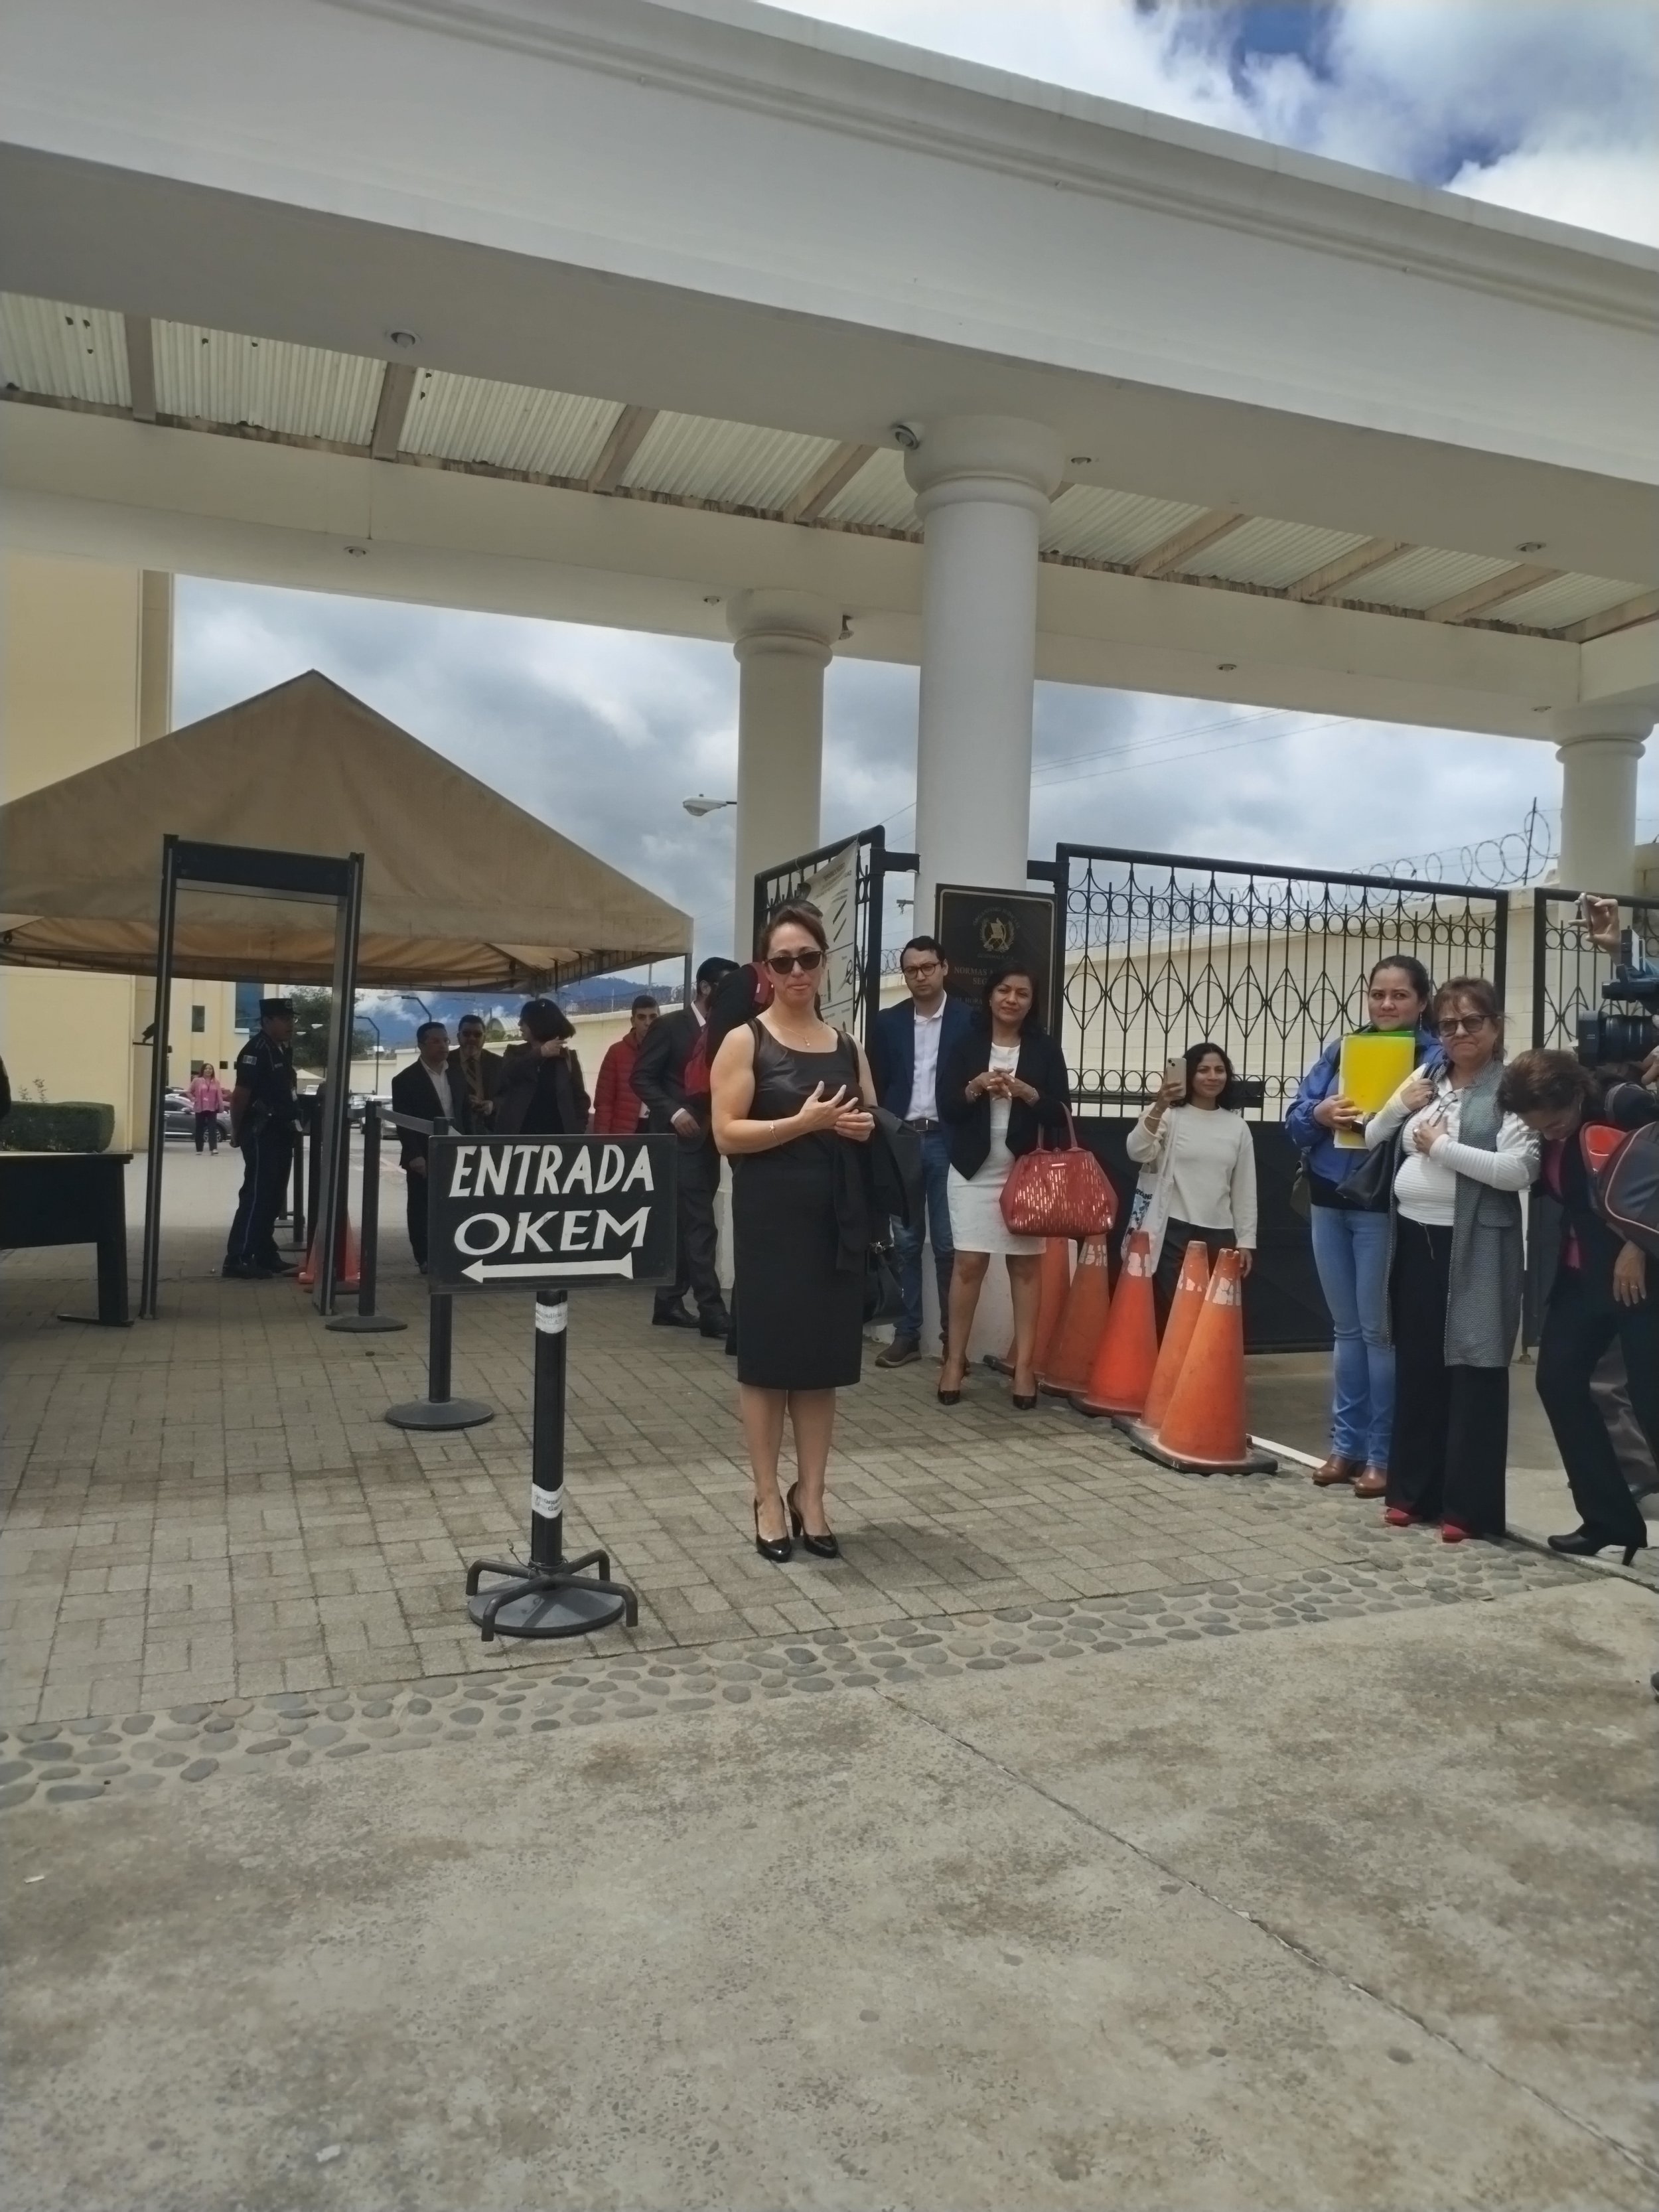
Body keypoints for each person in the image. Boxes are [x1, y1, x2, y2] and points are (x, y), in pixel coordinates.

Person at [711, 905, 875, 1562]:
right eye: (784, 961)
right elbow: (726, 1132)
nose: (797, 970)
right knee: (768, 1364)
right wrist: (800, 1125)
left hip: (835, 1219)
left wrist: (863, 1127)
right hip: (770, 1220)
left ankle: (813, 1494)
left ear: (824, 962)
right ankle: (766, 1497)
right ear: (766, 970)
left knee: (819, 1367)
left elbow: (872, 1116)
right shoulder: (745, 1040)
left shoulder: (848, 1045)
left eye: (808, 957)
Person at [1362, 976, 1537, 1542]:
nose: (1459, 1033)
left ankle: (1467, 1508)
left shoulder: (1511, 1088)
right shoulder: (1427, 1076)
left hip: (1478, 1247)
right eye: (1448, 1024)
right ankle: (1412, 1494)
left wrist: (1440, 1147)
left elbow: (1519, 1170)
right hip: (1416, 1241)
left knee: (1474, 1371)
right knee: (1419, 1368)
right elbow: (1372, 1135)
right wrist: (1401, 1107)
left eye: (1472, 1021)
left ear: (1495, 1026)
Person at [1285, 956, 1439, 1499]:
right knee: (1345, 1329)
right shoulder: (1341, 1049)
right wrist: (1319, 1114)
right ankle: (1345, 1447)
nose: (1387, 1004)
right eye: (1378, 994)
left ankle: (1382, 1454)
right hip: (1328, 1198)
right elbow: (1294, 1119)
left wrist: (1389, 1115)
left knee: (1378, 1331)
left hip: (1383, 1206)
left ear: (1422, 1001)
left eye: (1400, 995)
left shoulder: (1434, 1060)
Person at [1498, 1047, 1656, 1565]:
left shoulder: (1622, 1103)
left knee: (1652, 1400)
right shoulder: (1548, 1131)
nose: (1552, 1133)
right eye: (1539, 1128)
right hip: (1581, 1273)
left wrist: (1639, 1243)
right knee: (1559, 1381)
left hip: (1642, 1274)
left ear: (1575, 1093)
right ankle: (1609, 1518)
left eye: (1557, 1121)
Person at [936, 964, 1071, 1408]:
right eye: (1004, 991)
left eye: (1022, 993)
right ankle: (954, 1361)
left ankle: (1025, 1367)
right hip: (972, 1170)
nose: (1012, 999)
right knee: (968, 1263)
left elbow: (1061, 1113)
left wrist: (1028, 1093)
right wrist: (975, 1086)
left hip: (1025, 1173)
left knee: (1026, 1268)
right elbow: (947, 1108)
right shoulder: (966, 1044)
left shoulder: (1045, 1049)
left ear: (1032, 1002)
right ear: (990, 995)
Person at [869, 936, 974, 1368]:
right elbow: (876, 1083)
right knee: (908, 1242)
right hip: (903, 1141)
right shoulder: (888, 1022)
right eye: (912, 970)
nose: (920, 976)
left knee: (948, 1244)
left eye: (928, 967)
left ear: (944, 968)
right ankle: (907, 1333)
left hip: (948, 1141)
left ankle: (953, 1341)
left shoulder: (970, 1020)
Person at [632, 956, 739, 1338]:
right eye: (727, 988)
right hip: (679, 1140)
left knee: (687, 1224)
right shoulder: (670, 1026)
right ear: (705, 988)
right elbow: (641, 1077)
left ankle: (668, 1302)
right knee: (700, 1225)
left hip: (712, 1139)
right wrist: (674, 1112)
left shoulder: (729, 1029)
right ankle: (711, 1310)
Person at [1125, 1041, 1256, 1325]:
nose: (1213, 1077)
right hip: (1173, 1231)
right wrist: (1160, 1105)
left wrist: (1246, 1241)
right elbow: (1137, 1151)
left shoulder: (1238, 1127)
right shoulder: (1169, 1116)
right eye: (1203, 1070)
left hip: (1220, 1234)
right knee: (1176, 1315)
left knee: (1212, 1319)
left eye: (1220, 1070)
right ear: (1189, 1075)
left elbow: (1245, 1189)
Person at [223, 998, 300, 1280]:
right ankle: (238, 1257)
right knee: (257, 1195)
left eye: (291, 1019)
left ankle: (265, 1254)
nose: (290, 1025)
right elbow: (240, 1096)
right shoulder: (255, 1051)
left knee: (273, 1197)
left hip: (281, 1131)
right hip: (261, 1132)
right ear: (267, 1021)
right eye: (284, 1019)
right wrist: (236, 1131)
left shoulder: (280, 1049)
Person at [390, 1021, 471, 1272]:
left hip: (456, 1150)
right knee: (421, 1205)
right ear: (421, 1045)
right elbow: (404, 1122)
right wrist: (414, 1155)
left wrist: (472, 1145)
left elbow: (465, 1113)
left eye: (446, 1040)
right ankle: (424, 1257)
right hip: (423, 1153)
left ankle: (453, 1251)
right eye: (436, 1041)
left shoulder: (456, 1073)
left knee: (455, 1204)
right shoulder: (405, 1080)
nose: (443, 1046)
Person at [494, 999, 589, 1136]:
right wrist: (539, 1054)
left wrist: (577, 1130)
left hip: (558, 1138)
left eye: (524, 1021)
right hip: (520, 1137)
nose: (519, 1024)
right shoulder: (514, 1053)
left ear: (538, 1023)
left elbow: (580, 1099)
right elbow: (508, 1074)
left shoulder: (567, 1058)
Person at [591, 995, 658, 1134]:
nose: (648, 1023)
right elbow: (604, 1102)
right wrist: (601, 1140)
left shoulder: (669, 1050)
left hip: (658, 1131)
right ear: (633, 1021)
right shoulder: (616, 1052)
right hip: (625, 1132)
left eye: (653, 1017)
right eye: (642, 1017)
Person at [451, 1013, 503, 1127]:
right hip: (456, 1127)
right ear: (459, 1036)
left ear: (484, 1038)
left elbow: (509, 1093)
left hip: (489, 1128)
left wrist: (493, 1105)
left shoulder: (499, 1063)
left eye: (477, 1035)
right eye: (466, 1034)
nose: (472, 1039)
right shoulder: (445, 1062)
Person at [189, 1061, 226, 1153]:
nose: (208, 1070)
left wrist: (221, 1105)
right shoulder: (197, 1080)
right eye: (206, 1069)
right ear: (203, 1070)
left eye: (210, 1069)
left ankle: (213, 1148)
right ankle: (199, 1149)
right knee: (199, 1128)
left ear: (213, 1071)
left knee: (212, 1128)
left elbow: (219, 1095)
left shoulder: (216, 1081)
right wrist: (194, 1099)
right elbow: (188, 1091)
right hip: (200, 1108)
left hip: (212, 1108)